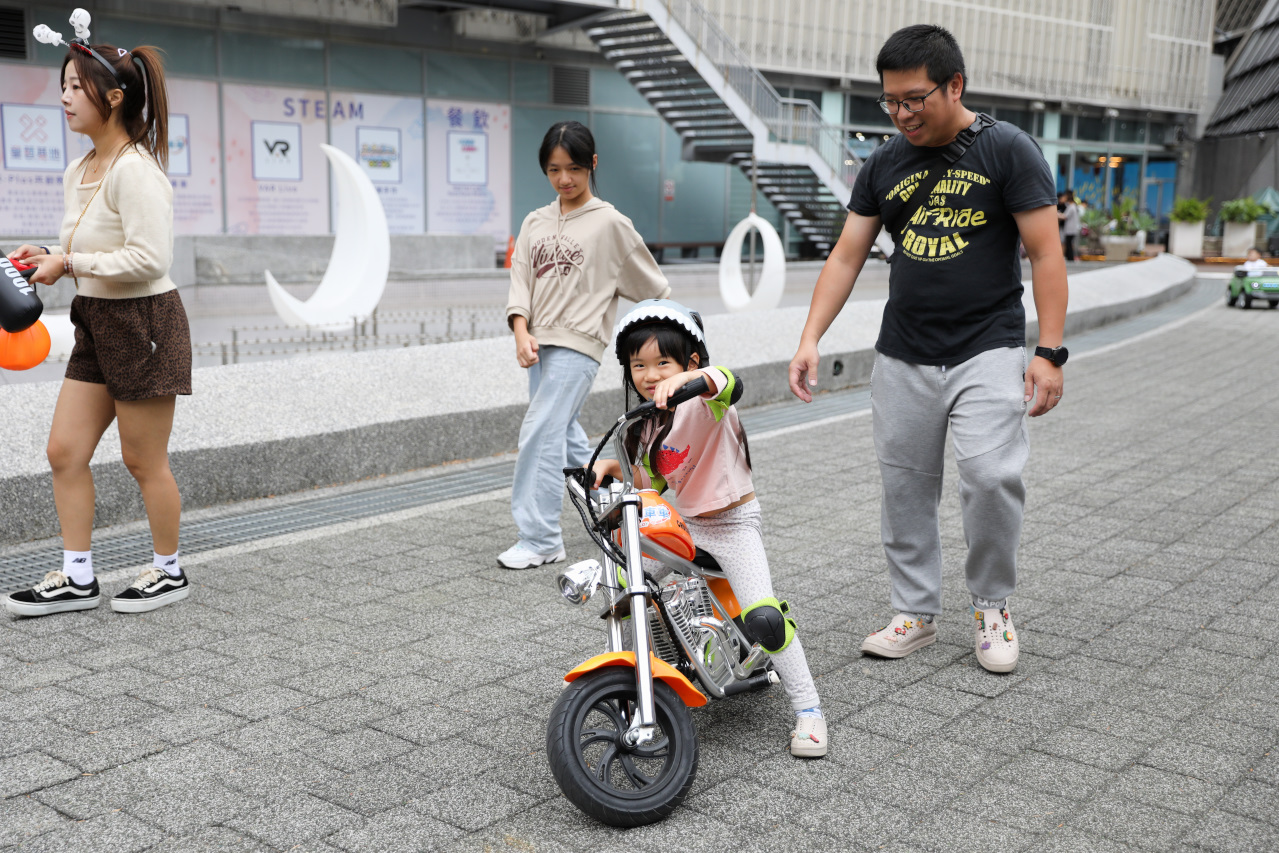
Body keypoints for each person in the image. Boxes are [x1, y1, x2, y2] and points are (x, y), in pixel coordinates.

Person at [787, 25, 1068, 673]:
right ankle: (914, 610)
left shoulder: (1007, 151)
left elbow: (1045, 252)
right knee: (905, 485)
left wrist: (1048, 350)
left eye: (913, 98)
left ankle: (991, 603)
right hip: (903, 351)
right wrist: (809, 338)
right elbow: (846, 255)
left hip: (986, 344)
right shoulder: (884, 163)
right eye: (889, 101)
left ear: (954, 85)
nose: (901, 113)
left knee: (991, 474)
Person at [4, 34, 192, 617]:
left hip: (144, 323)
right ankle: (79, 577)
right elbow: (86, 241)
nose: (62, 97)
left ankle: (169, 571)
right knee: (64, 450)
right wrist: (48, 253)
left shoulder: (136, 170)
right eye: (60, 85)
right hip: (95, 321)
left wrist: (71, 264)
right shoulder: (80, 167)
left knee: (143, 461)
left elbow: (150, 259)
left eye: (73, 87)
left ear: (112, 98)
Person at [594, 299, 827, 757]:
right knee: (624, 585)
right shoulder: (645, 426)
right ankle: (652, 672)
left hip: (735, 525)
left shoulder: (707, 401)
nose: (650, 374)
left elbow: (730, 382)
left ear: (691, 361)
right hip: (690, 525)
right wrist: (613, 468)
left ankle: (809, 711)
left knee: (765, 618)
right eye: (638, 365)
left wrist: (690, 381)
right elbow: (651, 482)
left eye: (663, 362)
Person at [501, 121, 671, 569]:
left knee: (540, 433)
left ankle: (540, 539)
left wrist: (650, 348)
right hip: (538, 345)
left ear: (592, 164)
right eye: (554, 169)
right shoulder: (535, 222)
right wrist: (521, 332)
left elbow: (654, 288)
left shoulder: (611, 223)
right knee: (566, 432)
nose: (564, 179)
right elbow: (519, 282)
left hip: (579, 346)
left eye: (574, 168)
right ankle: (621, 499)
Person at [1059, 190, 1081, 261]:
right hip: (1073, 228)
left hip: (1070, 229)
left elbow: (1065, 216)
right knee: (1069, 243)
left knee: (1068, 244)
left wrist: (1056, 214)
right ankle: (1070, 257)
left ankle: (1070, 258)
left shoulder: (1071, 207)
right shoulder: (1074, 206)